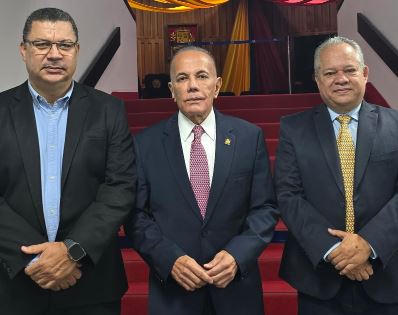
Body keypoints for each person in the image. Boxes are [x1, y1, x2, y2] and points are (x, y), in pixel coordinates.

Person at [0, 8, 135, 315]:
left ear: (76, 50)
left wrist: (73, 251)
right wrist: (33, 259)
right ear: (23, 50)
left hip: (90, 282)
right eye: (42, 44)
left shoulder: (109, 111)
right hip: (13, 283)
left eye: (64, 45)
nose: (54, 54)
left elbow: (120, 187)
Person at [125, 46, 278, 315]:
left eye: (202, 76)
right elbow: (136, 215)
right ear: (172, 90)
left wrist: (237, 255)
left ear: (217, 86)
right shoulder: (144, 144)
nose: (193, 86)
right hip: (173, 293)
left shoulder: (248, 137)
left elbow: (264, 208)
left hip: (236, 290)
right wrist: (169, 259)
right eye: (182, 78)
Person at [275, 36, 398, 314]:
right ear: (317, 79)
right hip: (318, 279)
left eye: (349, 70)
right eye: (330, 73)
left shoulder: (396, 125)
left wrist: (369, 245)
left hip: (386, 273)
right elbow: (288, 195)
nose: (340, 79)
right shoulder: (293, 129)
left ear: (365, 74)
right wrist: (335, 251)